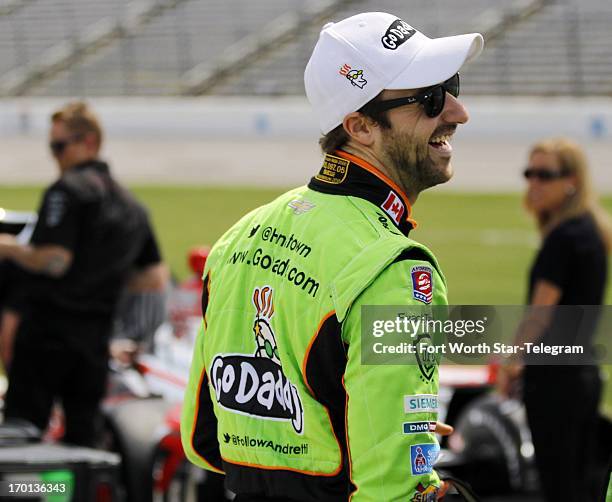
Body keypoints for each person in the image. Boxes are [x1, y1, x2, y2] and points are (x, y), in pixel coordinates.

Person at [181, 12, 483, 501]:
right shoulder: (393, 268)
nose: (457, 111)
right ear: (360, 126)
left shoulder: (237, 239)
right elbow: (396, 493)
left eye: (450, 85)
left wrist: (357, 428)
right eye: (430, 98)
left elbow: (204, 441)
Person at [0, 102, 168, 447]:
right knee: (83, 441)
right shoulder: (132, 205)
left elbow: (56, 260)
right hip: (95, 341)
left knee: (22, 436)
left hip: (46, 337)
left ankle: (29, 496)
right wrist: (104, 275)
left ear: (88, 142)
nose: (55, 156)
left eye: (59, 146)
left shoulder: (67, 191)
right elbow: (153, 278)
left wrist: (9, 247)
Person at [498, 138, 611, 501]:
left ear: (572, 180)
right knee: (579, 484)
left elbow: (539, 316)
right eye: (530, 173)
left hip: (555, 382)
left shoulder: (564, 238)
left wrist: (511, 363)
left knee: (560, 485)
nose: (534, 183)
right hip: (582, 374)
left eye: (545, 174)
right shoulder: (588, 230)